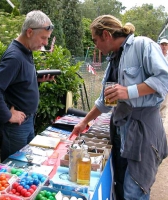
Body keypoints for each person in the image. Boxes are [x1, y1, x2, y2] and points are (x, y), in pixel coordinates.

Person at [72, 15, 168, 200]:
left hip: (142, 131)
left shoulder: (142, 45)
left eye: (95, 39)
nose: (95, 45)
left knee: (135, 191)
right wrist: (84, 122)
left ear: (106, 35)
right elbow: (105, 102)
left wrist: (129, 91)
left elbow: (164, 79)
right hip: (120, 130)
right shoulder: (114, 59)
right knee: (121, 187)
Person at [0, 10, 55, 162]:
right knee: (14, 170)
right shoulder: (15, 57)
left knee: (24, 168)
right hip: (16, 127)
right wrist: (8, 115)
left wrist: (36, 79)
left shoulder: (26, 51)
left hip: (27, 122)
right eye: (43, 38)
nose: (45, 43)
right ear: (29, 32)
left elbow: (16, 80)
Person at [159, 38, 168, 120]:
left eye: (165, 45)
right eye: (162, 44)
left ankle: (161, 121)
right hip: (158, 83)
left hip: (166, 83)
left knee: (164, 104)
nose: (164, 46)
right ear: (160, 45)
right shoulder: (157, 56)